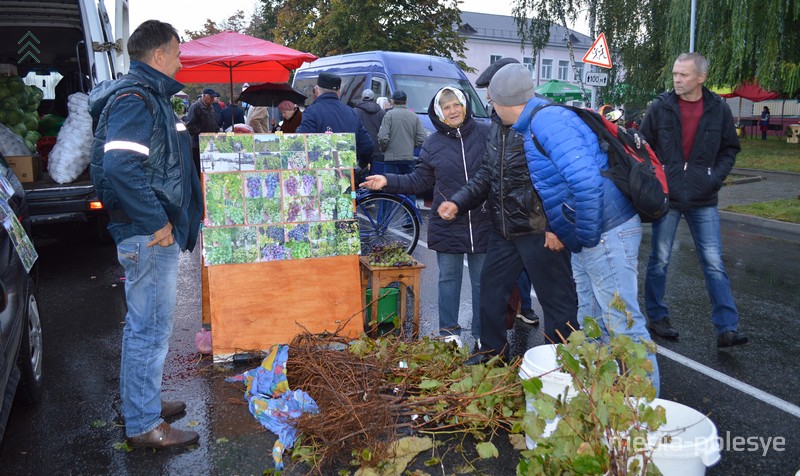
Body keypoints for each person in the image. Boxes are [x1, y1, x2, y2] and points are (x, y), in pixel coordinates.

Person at [467, 64, 660, 393]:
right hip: (595, 234)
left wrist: (582, 237)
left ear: (504, 101)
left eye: (492, 101)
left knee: (622, 323)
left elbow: (585, 183)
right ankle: (601, 397)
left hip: (606, 232)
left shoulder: (548, 122)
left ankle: (643, 408)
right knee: (591, 320)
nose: (491, 108)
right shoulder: (535, 122)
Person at [88, 19, 204, 448]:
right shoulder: (137, 98)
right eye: (176, 53)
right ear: (158, 56)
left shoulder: (147, 95)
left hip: (147, 231)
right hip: (148, 234)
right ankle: (143, 425)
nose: (180, 60)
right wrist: (157, 221)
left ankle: (145, 403)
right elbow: (120, 166)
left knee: (147, 326)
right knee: (149, 329)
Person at [438, 60, 578, 363]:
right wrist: (458, 201)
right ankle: (492, 352)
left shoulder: (545, 120)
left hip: (540, 229)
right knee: (491, 291)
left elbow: (565, 179)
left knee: (557, 302)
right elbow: (487, 174)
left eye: (492, 92)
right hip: (504, 229)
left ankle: (562, 363)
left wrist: (557, 226)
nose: (489, 98)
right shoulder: (497, 124)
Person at [361, 87, 490, 346]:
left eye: (456, 104)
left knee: (482, 283)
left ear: (464, 105)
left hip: (483, 220)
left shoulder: (486, 134)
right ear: (439, 112)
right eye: (446, 107)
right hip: (448, 222)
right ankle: (449, 335)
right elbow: (419, 180)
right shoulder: (433, 144)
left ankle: (481, 335)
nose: (453, 111)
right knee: (449, 281)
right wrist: (387, 180)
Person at [639, 52, 748, 348]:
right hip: (668, 198)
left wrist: (715, 178)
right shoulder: (660, 107)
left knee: (713, 263)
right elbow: (642, 146)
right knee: (659, 259)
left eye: (683, 74)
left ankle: (727, 328)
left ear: (701, 78)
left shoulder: (718, 109)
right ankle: (658, 317)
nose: (677, 79)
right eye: (675, 73)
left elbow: (730, 149)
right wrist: (656, 178)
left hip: (704, 197)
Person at [296, 72, 373, 166]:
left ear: (316, 90)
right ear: (339, 91)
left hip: (320, 172)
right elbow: (367, 146)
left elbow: (301, 143)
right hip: (346, 173)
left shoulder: (311, 112)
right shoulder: (352, 112)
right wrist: (360, 166)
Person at [185, 87, 218, 176]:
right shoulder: (195, 106)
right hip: (197, 145)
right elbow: (189, 125)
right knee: (199, 168)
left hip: (209, 143)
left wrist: (218, 131)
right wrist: (201, 134)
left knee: (208, 167)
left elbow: (213, 122)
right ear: (205, 96)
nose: (212, 99)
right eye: (211, 97)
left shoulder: (211, 107)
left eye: (213, 98)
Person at [354, 89, 386, 170]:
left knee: (361, 176)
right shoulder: (381, 112)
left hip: (360, 148)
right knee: (375, 176)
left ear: (362, 98)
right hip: (377, 149)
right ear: (374, 98)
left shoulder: (355, 112)